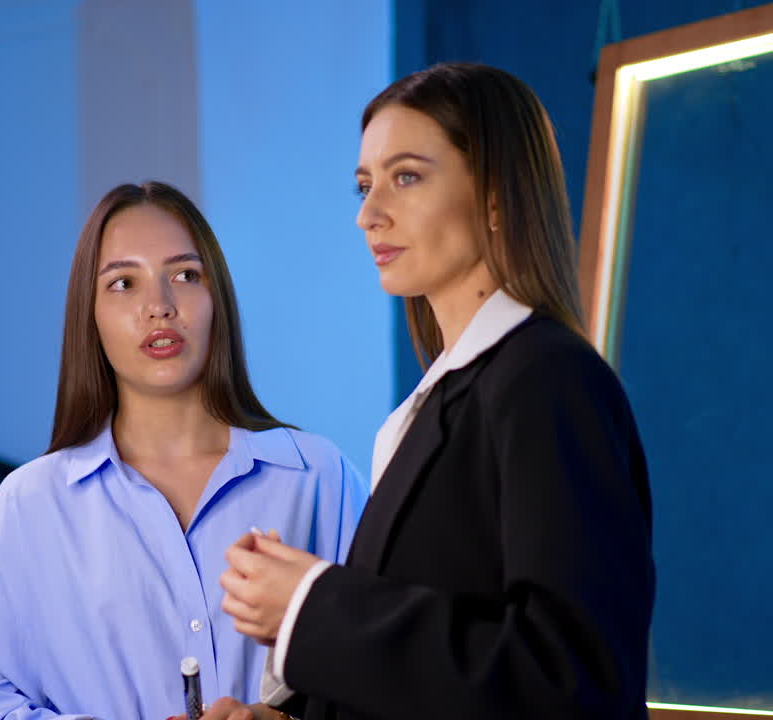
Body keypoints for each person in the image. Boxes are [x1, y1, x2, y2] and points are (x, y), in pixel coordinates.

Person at [214, 63, 655, 720]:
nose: (368, 214)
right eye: (364, 185)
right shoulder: (434, 405)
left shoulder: (549, 381)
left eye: (406, 177)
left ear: (498, 196)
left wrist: (311, 605)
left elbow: (572, 679)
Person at [0, 181, 369, 720]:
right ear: (88, 316)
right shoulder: (30, 505)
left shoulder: (317, 478)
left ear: (218, 299)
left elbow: (388, 674)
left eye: (185, 276)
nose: (159, 307)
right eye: (123, 283)